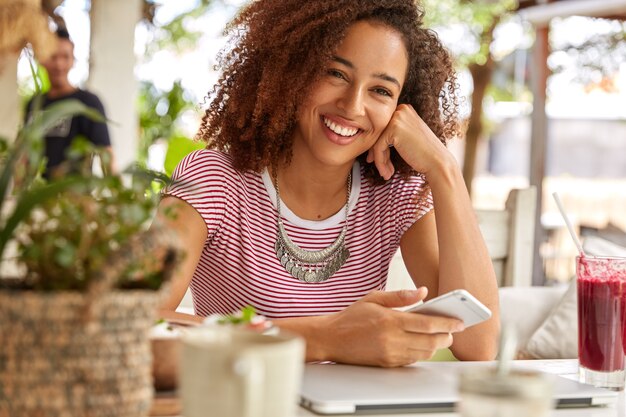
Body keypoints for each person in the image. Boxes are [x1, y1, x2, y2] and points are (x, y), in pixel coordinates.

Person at [156, 0, 500, 366]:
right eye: (335, 73)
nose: (352, 106)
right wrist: (326, 339)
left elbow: (477, 345)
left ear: (403, 107)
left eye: (381, 91)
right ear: (294, 69)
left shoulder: (394, 195)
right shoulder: (212, 180)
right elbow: (131, 326)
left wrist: (443, 168)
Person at [25, 28, 114, 179]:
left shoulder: (88, 102)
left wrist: (117, 195)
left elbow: (107, 155)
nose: (59, 64)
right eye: (53, 56)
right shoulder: (34, 104)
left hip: (74, 198)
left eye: (65, 57)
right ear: (42, 59)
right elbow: (25, 156)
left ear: (73, 60)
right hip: (36, 197)